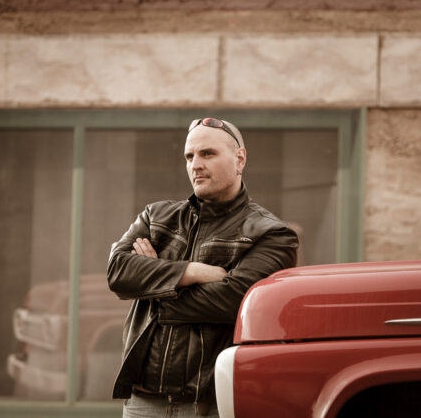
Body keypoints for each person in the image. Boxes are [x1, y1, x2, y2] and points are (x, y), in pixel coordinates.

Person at [107, 117, 299, 417]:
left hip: (209, 406)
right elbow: (118, 272)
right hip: (142, 403)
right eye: (189, 156)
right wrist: (191, 272)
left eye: (207, 154)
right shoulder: (156, 216)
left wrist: (153, 283)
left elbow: (234, 300)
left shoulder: (271, 233)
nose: (195, 164)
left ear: (240, 159)